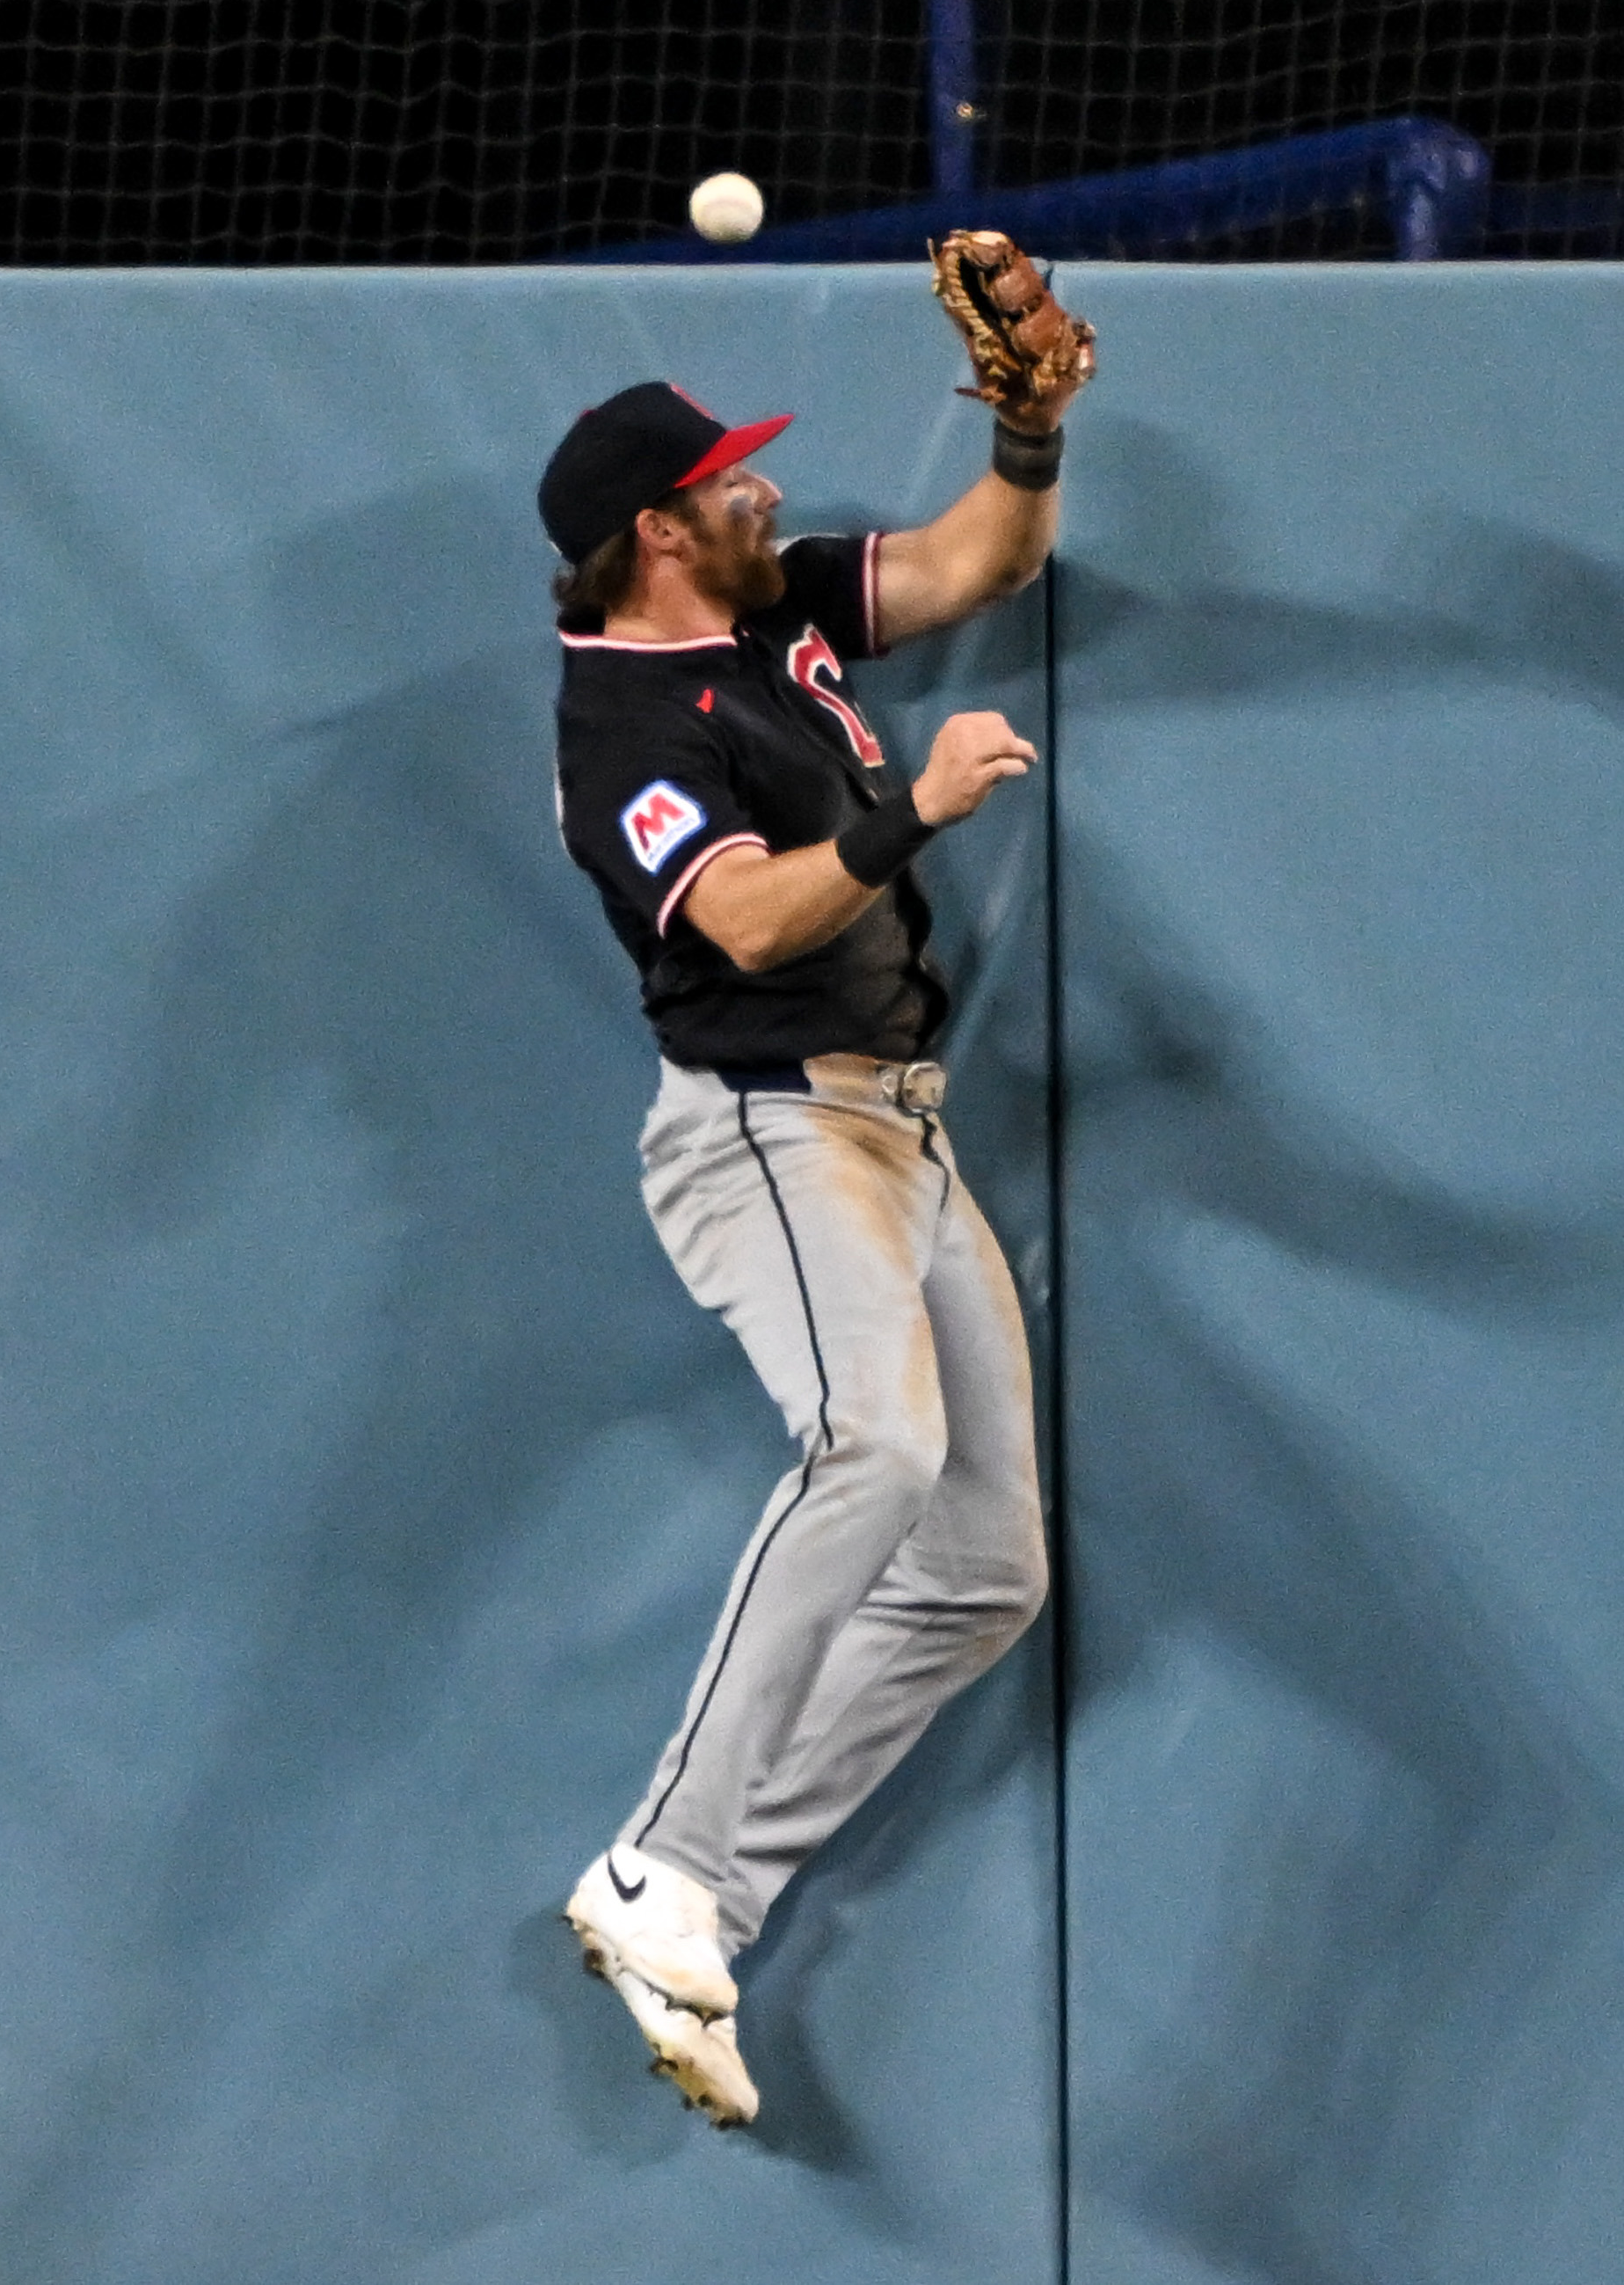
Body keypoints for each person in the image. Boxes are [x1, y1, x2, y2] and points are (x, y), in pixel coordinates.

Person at [535, 364, 1081, 2127]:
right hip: (768, 1126)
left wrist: (1028, 433)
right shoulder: (618, 725)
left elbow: (978, 560)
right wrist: (913, 807)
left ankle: (697, 1900)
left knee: (983, 1561)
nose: (761, 491)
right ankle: (657, 1861)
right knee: (874, 1445)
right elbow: (754, 920)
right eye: (727, 482)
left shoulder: (775, 607)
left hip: (897, 1126)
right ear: (655, 533)